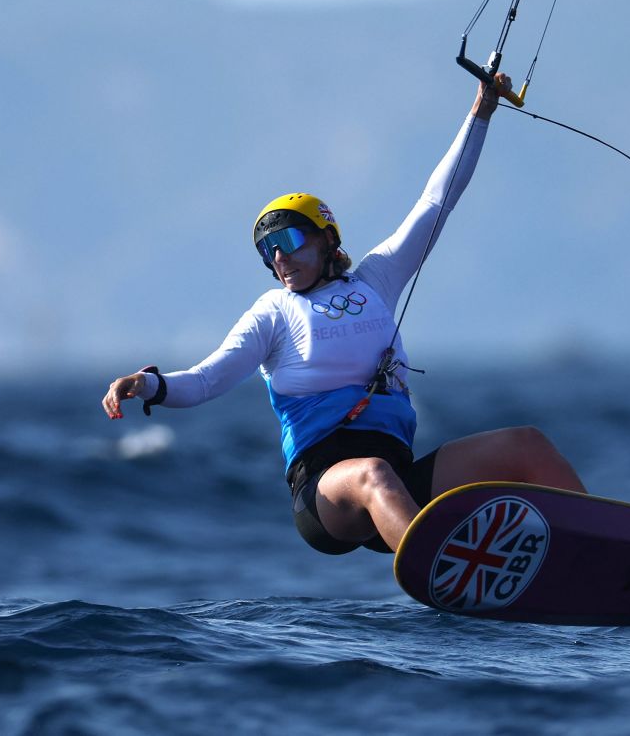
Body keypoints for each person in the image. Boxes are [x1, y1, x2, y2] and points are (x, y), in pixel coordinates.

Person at [102, 75, 585, 555]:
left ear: (327, 239)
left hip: (398, 483)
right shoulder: (273, 313)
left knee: (528, 444)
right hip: (326, 496)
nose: (279, 258)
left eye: (288, 241)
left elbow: (437, 201)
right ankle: (438, 567)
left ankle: (601, 548)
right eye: (267, 250)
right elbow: (206, 380)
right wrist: (146, 384)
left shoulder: (377, 279)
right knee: (372, 474)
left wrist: (480, 111)